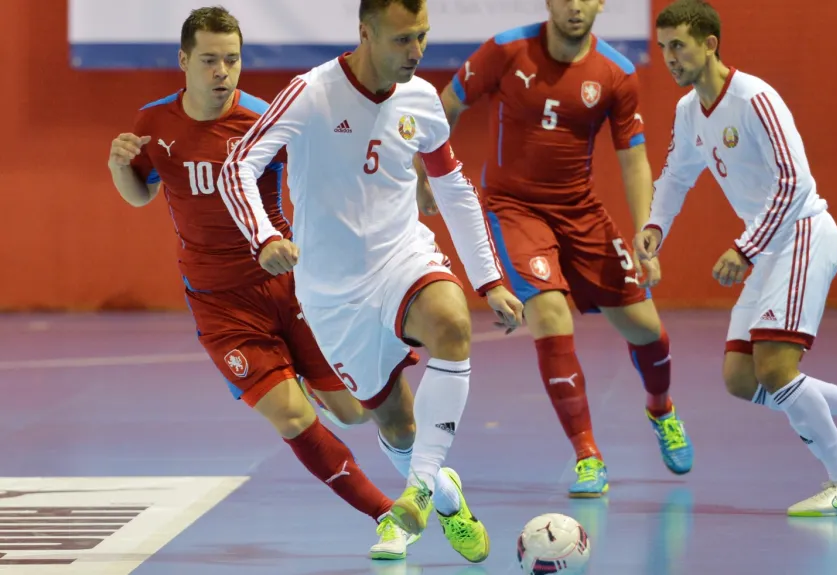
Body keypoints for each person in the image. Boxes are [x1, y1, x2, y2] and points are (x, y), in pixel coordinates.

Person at [105, 6, 421, 559]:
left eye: (232, 59)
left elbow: (332, 167)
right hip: (220, 303)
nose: (222, 71)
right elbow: (141, 194)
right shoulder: (153, 123)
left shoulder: (265, 117)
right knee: (292, 415)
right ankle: (387, 515)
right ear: (183, 61)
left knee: (352, 411)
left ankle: (324, 391)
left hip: (291, 288)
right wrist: (118, 168)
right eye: (208, 60)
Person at [217, 0, 524, 563]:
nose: (416, 53)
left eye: (423, 37)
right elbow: (237, 165)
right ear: (365, 32)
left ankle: (421, 492)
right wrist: (263, 238)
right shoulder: (311, 92)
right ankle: (449, 500)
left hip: (402, 257)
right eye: (403, 39)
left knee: (452, 324)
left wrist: (490, 280)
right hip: (333, 294)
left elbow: (454, 190)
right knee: (397, 424)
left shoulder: (423, 100)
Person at [637, 0, 837, 516]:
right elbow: (676, 174)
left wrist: (746, 247)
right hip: (768, 249)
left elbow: (795, 182)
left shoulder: (755, 98)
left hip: (803, 234)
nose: (670, 58)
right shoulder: (687, 110)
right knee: (742, 379)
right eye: (663, 48)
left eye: (679, 46)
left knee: (776, 367)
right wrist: (655, 226)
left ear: (710, 44)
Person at [424, 0, 694, 498]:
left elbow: (634, 159)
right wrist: (428, 171)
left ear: (600, 4)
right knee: (550, 316)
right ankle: (588, 455)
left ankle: (661, 407)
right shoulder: (506, 51)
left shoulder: (616, 73)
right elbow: (447, 103)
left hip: (582, 212)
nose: (574, 6)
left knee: (647, 330)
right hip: (514, 210)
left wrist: (647, 233)